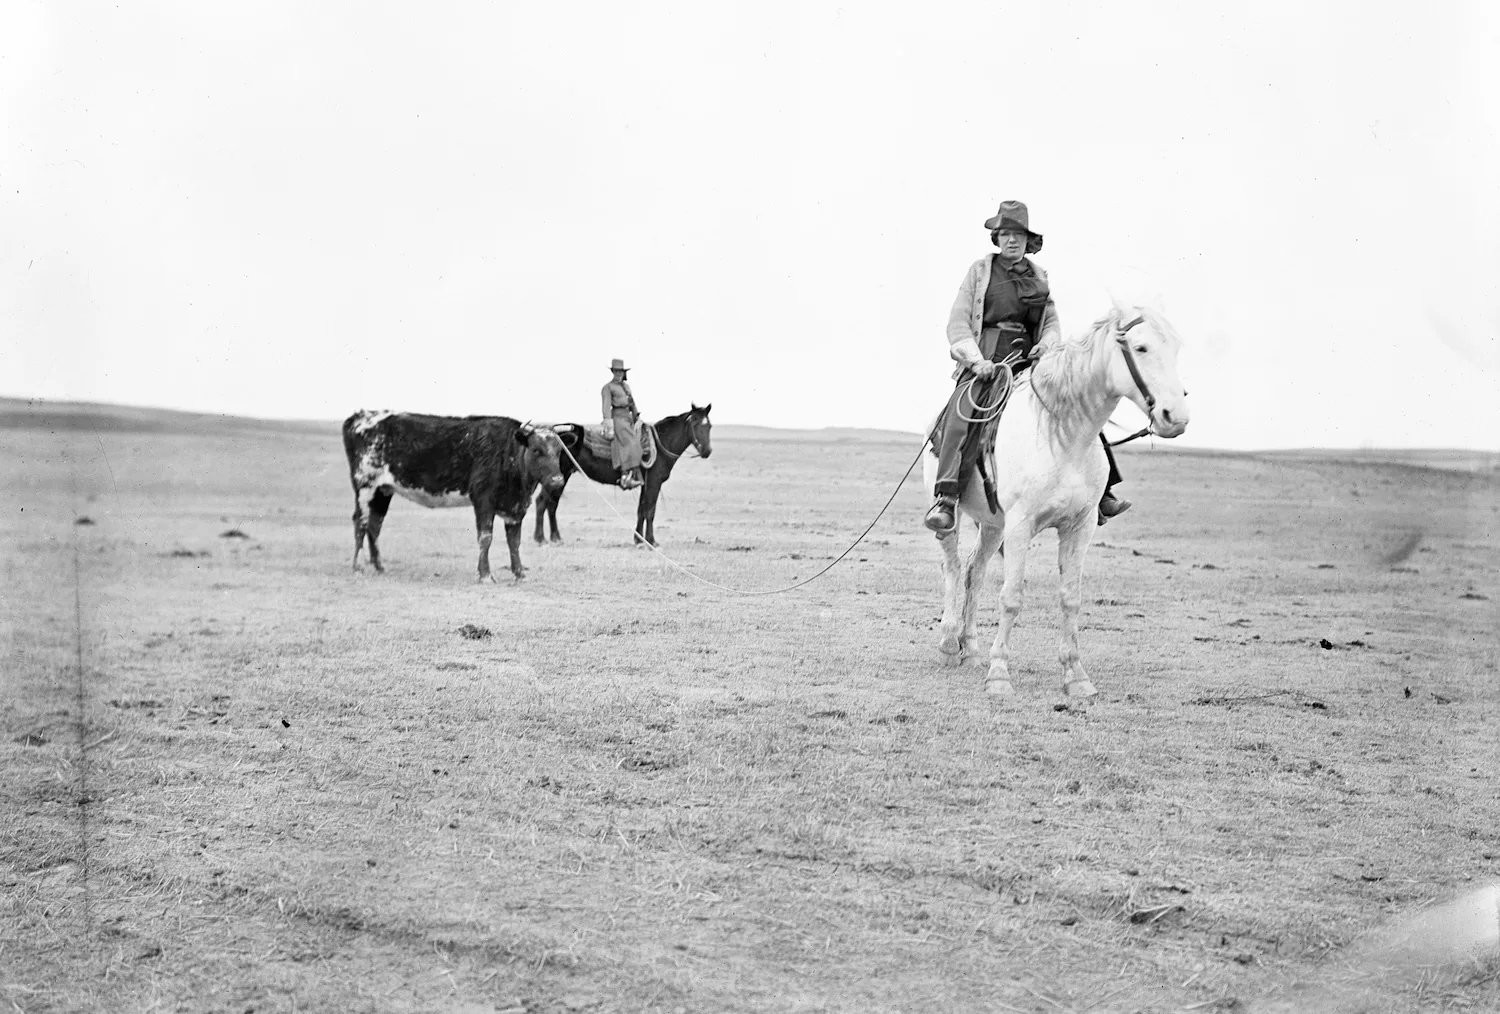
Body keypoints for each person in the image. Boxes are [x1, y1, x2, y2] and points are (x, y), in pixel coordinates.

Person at [924, 201, 1132, 533]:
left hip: (1031, 362)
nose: (1012, 240)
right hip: (987, 361)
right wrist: (976, 361)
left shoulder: (1038, 276)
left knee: (1078, 407)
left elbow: (1050, 322)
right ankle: (947, 498)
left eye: (1018, 234)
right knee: (960, 411)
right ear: (997, 237)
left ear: (1027, 239)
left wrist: (1046, 346)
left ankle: (1102, 491)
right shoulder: (979, 272)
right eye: (1006, 234)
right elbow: (958, 322)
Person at [601, 358, 644, 490]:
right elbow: (606, 407)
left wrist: (637, 418)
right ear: (613, 371)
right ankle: (625, 476)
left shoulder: (626, 387)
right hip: (618, 418)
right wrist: (609, 424)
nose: (619, 373)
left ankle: (636, 475)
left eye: (621, 371)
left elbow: (632, 404)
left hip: (628, 418)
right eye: (616, 371)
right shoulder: (608, 387)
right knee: (630, 443)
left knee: (640, 440)